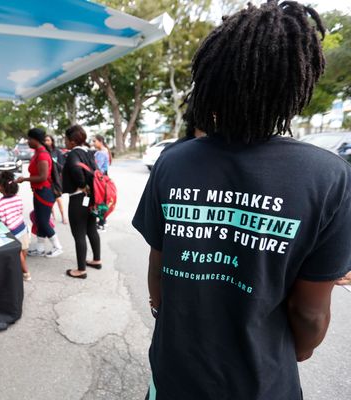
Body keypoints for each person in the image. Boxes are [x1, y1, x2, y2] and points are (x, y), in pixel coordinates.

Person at [133, 2, 351, 400]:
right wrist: (296, 349)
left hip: (173, 375)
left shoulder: (173, 162)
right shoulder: (328, 176)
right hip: (261, 383)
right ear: (296, 84)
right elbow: (310, 313)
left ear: (213, 80)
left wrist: (161, 310)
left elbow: (158, 269)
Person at [15, 128, 63, 258]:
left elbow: (42, 177)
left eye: (29, 139)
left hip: (45, 192)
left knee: (43, 222)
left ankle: (57, 246)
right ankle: (40, 248)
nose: (28, 141)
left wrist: (24, 179)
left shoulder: (42, 154)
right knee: (39, 219)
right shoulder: (38, 152)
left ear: (35, 140)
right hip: (38, 191)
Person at [62, 125, 101, 279]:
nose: (65, 142)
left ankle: (81, 270)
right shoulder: (89, 153)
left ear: (72, 142)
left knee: (79, 233)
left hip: (79, 198)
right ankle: (97, 260)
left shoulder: (73, 154)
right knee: (92, 228)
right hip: (92, 197)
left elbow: (76, 171)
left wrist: (82, 184)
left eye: (66, 139)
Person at [0, 171, 31, 281]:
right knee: (23, 250)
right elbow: (20, 211)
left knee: (18, 253)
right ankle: (19, 269)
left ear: (1, 187)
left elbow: (3, 221)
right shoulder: (18, 198)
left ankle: (26, 272)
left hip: (12, 232)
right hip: (22, 228)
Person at [45, 134, 68, 224]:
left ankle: (63, 216)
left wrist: (54, 162)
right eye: (45, 140)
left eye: (48, 140)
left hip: (56, 180)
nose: (46, 142)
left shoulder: (57, 152)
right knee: (49, 199)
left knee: (58, 198)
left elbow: (61, 167)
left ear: (52, 142)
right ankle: (52, 217)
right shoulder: (43, 152)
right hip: (46, 179)